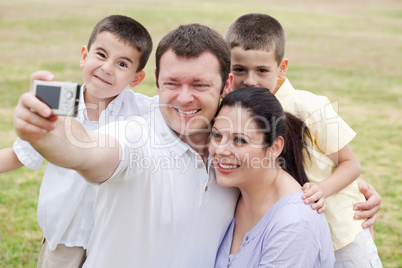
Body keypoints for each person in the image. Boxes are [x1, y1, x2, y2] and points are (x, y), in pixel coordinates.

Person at [14, 24, 240, 267]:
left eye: (199, 85)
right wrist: (48, 133)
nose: (184, 98)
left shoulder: (238, 153)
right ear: (157, 81)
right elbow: (87, 150)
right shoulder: (135, 134)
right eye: (172, 84)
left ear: (227, 84)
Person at [226, 13, 382, 267]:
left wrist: (324, 189)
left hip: (341, 232)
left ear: (282, 68)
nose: (250, 80)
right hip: (288, 234)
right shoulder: (230, 110)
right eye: (240, 69)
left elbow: (350, 164)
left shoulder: (310, 107)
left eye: (262, 70)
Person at [4, 15, 154, 267]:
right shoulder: (59, 101)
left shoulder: (141, 110)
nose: (107, 68)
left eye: (122, 63)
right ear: (84, 56)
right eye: (101, 54)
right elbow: (19, 154)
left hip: (114, 240)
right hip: (64, 237)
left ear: (136, 78)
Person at [211, 87, 335, 267]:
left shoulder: (294, 225)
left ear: (275, 148)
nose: (220, 150)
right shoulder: (235, 192)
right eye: (216, 135)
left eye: (239, 140)